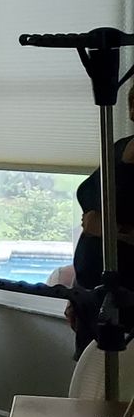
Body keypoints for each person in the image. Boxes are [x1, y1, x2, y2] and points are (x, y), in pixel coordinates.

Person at [68, 84, 134, 357]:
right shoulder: (119, 147)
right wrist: (76, 294)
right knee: (90, 391)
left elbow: (98, 224)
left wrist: (113, 230)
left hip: (128, 300)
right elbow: (90, 226)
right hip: (92, 296)